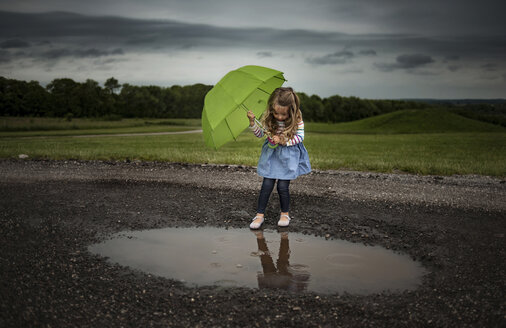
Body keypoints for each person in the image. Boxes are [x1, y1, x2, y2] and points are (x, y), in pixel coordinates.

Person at [247, 87, 311, 229]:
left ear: (292, 111)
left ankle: (284, 213)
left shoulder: (297, 120)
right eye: (276, 113)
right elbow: (259, 134)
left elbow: (300, 137)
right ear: (271, 109)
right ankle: (259, 215)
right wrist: (252, 123)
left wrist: (283, 141)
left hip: (288, 156)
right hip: (272, 155)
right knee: (267, 184)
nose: (279, 117)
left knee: (283, 186)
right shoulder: (270, 119)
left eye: (283, 114)